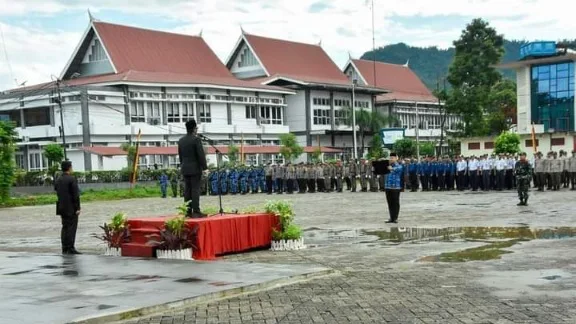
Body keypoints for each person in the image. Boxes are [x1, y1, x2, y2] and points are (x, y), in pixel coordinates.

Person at [178, 119, 208, 218]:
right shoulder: (196, 139)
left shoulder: (181, 141)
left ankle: (187, 212)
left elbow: (181, 156)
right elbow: (201, 155)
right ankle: (196, 212)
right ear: (194, 129)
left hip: (185, 169)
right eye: (196, 128)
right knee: (195, 189)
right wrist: (205, 168)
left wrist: (183, 165)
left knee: (187, 190)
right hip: (195, 169)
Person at [54, 160, 82, 255]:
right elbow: (75, 195)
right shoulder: (71, 179)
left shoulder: (58, 179)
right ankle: (70, 247)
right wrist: (78, 207)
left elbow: (57, 190)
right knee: (71, 228)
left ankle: (64, 247)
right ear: (69, 167)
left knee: (64, 227)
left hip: (61, 207)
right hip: (71, 208)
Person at [384, 153, 404, 224]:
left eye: (393, 158)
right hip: (387, 187)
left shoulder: (399, 166)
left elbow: (398, 170)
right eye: (390, 157)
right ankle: (391, 218)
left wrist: (391, 168)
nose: (391, 159)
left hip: (395, 187)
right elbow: (380, 172)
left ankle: (395, 218)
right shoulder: (387, 166)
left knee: (395, 203)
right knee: (390, 203)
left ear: (396, 158)